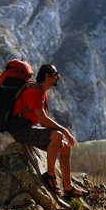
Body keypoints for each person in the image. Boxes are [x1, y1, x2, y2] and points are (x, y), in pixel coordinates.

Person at [10, 64, 89, 199]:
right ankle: (50, 176)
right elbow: (44, 120)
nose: (59, 76)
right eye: (56, 73)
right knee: (57, 135)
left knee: (65, 147)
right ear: (47, 76)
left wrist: (59, 135)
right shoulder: (33, 90)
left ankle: (69, 188)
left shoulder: (43, 93)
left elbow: (42, 122)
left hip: (30, 128)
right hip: (20, 131)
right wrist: (64, 131)